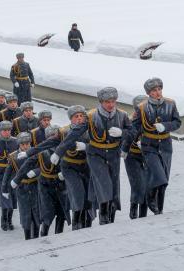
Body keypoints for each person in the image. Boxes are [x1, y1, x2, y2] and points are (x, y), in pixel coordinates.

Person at [53, 87, 132, 225]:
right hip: (95, 154)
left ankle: (110, 213)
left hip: (113, 154)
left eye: (113, 101)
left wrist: (122, 133)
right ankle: (103, 215)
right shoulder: (90, 116)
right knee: (103, 182)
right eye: (107, 101)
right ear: (101, 102)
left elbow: (133, 132)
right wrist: (59, 152)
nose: (111, 104)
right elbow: (74, 134)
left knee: (113, 185)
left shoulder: (122, 115)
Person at [18, 105, 93, 230]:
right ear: (71, 119)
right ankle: (77, 224)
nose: (79, 119)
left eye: (81, 116)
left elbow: (99, 146)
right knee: (77, 195)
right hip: (70, 168)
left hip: (87, 168)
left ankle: (87, 224)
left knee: (88, 198)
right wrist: (28, 152)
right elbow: (46, 143)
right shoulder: (64, 132)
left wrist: (86, 146)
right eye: (76, 117)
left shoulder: (90, 130)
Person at [124, 78, 181, 215]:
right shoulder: (142, 107)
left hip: (166, 146)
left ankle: (159, 210)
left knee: (164, 181)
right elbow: (134, 129)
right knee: (159, 176)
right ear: (149, 93)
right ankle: (149, 196)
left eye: (159, 89)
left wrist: (165, 126)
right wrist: (125, 148)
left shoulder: (171, 104)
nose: (158, 92)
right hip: (149, 146)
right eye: (154, 90)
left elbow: (177, 122)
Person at [12, 125, 71, 236]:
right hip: (46, 186)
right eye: (50, 136)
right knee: (47, 215)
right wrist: (17, 179)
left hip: (61, 185)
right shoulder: (42, 151)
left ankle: (59, 236)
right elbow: (28, 163)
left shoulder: (65, 149)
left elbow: (72, 162)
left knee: (62, 212)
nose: (53, 139)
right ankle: (44, 235)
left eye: (55, 136)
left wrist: (65, 172)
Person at [2, 132, 40, 240]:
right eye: (23, 144)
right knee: (25, 213)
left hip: (35, 185)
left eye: (27, 144)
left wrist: (36, 171)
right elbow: (8, 173)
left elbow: (44, 166)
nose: (25, 146)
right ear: (19, 144)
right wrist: (4, 188)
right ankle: (27, 237)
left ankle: (37, 237)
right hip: (22, 187)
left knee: (37, 212)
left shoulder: (37, 152)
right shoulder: (13, 156)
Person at [123, 95, 149, 219]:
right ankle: (133, 209)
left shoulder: (153, 119)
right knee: (137, 183)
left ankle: (143, 213)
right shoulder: (129, 121)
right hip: (131, 155)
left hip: (148, 155)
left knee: (147, 183)